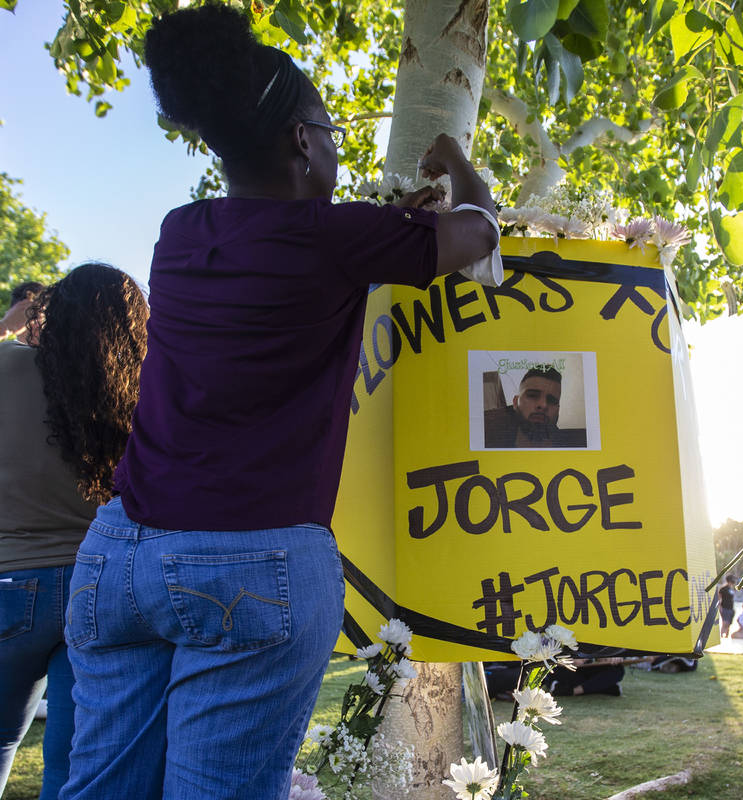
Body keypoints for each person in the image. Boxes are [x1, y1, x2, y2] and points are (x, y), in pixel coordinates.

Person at [60, 7, 499, 800]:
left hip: (120, 556)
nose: (335, 145)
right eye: (330, 131)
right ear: (303, 141)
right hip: (249, 565)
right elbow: (479, 233)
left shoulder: (180, 232)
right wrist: (458, 165)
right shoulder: (339, 237)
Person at [0, 265, 147, 800]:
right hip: (99, 589)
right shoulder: (137, 396)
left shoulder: (6, 366)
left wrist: (14, 322)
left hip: (9, 584)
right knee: (72, 769)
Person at [483, 366, 587, 447]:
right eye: (532, 395)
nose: (543, 405)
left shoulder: (578, 444)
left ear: (558, 409)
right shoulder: (488, 438)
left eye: (551, 400)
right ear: (515, 402)